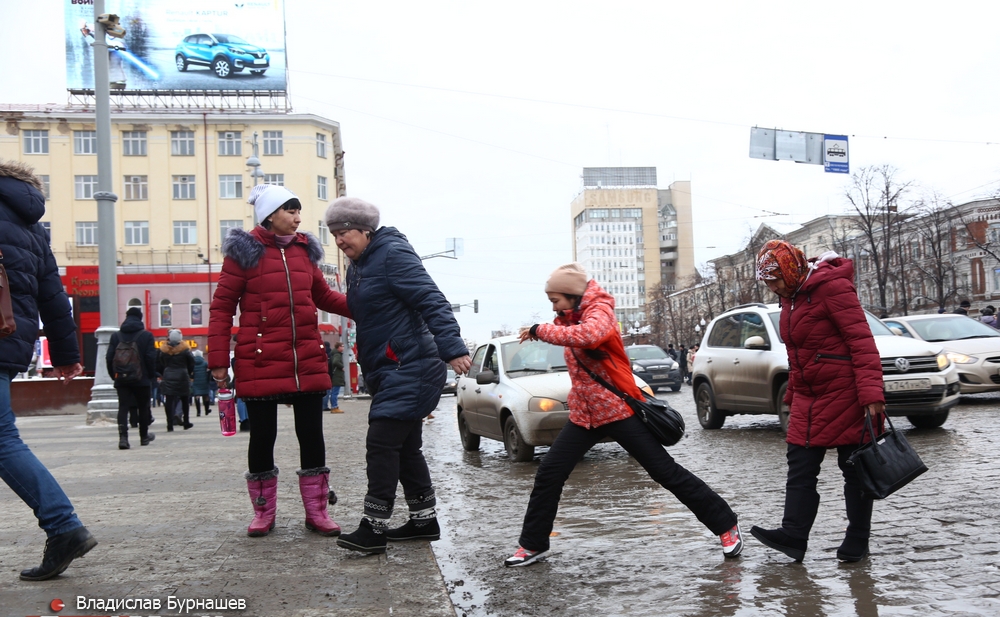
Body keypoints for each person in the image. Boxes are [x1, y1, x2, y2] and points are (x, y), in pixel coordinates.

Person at [505, 263, 743, 567]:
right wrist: (548, 328)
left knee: (664, 472)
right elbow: (575, 340)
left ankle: (726, 524)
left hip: (616, 410)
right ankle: (533, 545)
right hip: (584, 416)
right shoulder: (570, 318)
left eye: (556, 300)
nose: (553, 306)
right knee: (549, 473)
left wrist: (542, 330)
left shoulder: (600, 312)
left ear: (573, 295)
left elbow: (590, 336)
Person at [325, 197, 471, 554]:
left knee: (381, 444)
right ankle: (424, 520)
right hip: (391, 367)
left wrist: (453, 348)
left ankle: (374, 528)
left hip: (412, 365)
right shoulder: (359, 264)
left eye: (345, 232)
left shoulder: (392, 254)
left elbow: (431, 300)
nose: (340, 241)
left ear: (365, 229)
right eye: (334, 235)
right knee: (405, 447)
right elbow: (366, 308)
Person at [209, 184, 351, 538]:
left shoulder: (304, 252)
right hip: (259, 359)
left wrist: (370, 306)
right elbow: (222, 308)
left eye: (298, 210)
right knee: (262, 436)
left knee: (311, 434)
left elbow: (325, 296)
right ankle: (263, 514)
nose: (297, 218)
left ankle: (317, 512)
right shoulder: (244, 254)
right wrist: (217, 361)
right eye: (290, 211)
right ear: (270, 215)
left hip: (305, 355)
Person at [749, 240, 885, 564]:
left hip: (846, 392)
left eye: (776, 280)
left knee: (854, 469)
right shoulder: (790, 298)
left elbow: (861, 342)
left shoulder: (833, 288)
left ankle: (857, 539)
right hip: (809, 397)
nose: (773, 288)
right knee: (800, 466)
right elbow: (797, 353)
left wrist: (871, 395)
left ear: (791, 269)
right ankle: (793, 536)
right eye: (768, 283)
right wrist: (793, 394)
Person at [0, 159, 95, 580]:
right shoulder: (33, 227)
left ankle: (63, 525)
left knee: (2, 441)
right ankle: (64, 527)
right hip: (10, 338)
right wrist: (66, 354)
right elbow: (53, 296)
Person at [106, 307, 157, 449]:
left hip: (121, 378)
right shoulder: (146, 336)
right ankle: (144, 437)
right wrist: (150, 376)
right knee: (143, 406)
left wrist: (114, 376)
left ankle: (123, 438)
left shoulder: (116, 336)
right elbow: (150, 357)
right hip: (142, 379)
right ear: (140, 318)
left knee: (123, 407)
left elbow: (109, 357)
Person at [157, 329, 194, 431]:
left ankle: (169, 424)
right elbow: (191, 363)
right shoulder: (185, 349)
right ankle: (186, 421)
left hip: (168, 375)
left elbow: (159, 363)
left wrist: (164, 372)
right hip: (182, 375)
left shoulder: (163, 350)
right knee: (184, 399)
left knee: (169, 400)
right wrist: (189, 373)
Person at [191, 349, 212, 417]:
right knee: (206, 395)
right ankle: (206, 410)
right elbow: (210, 368)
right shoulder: (204, 363)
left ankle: (198, 412)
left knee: (197, 396)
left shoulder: (192, 363)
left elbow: (190, 372)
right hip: (204, 381)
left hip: (196, 382)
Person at [329, 341, 345, 414]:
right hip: (336, 376)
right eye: (342, 346)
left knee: (333, 392)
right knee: (335, 392)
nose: (343, 348)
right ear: (338, 347)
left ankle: (334, 407)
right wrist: (342, 367)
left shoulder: (334, 353)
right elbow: (335, 362)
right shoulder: (337, 355)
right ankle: (334, 407)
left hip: (334, 375)